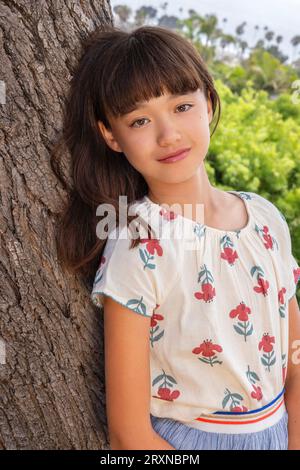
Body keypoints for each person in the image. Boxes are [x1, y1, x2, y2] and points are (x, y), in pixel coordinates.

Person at [53, 24, 300, 450]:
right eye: (141, 120)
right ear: (111, 135)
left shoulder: (265, 218)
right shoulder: (140, 243)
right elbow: (129, 438)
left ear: (208, 101)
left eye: (182, 106)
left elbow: (295, 362)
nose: (168, 135)